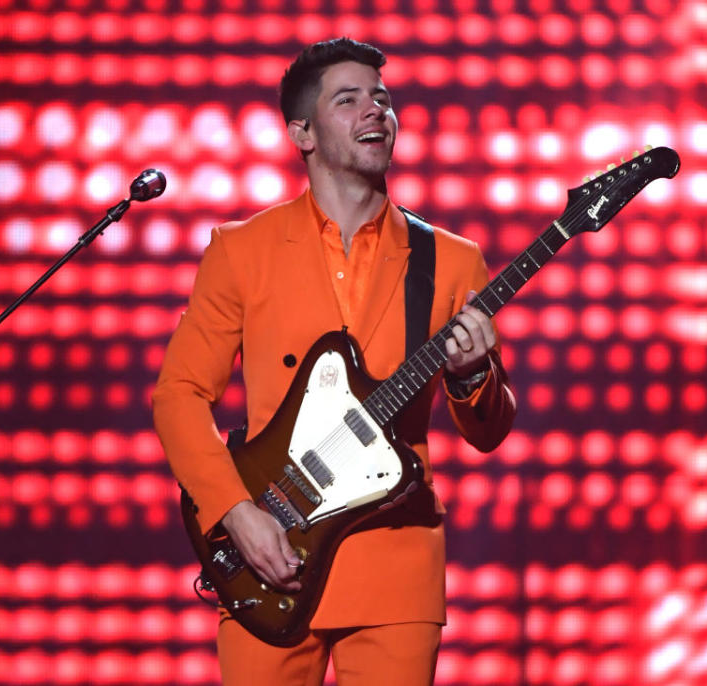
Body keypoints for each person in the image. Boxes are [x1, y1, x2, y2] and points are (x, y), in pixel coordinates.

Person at [152, 38, 516, 685]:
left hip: (393, 569)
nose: (375, 111)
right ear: (302, 133)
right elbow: (177, 394)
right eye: (348, 100)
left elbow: (488, 431)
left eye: (382, 97)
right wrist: (237, 515)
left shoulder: (451, 261)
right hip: (269, 554)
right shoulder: (242, 250)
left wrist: (471, 375)